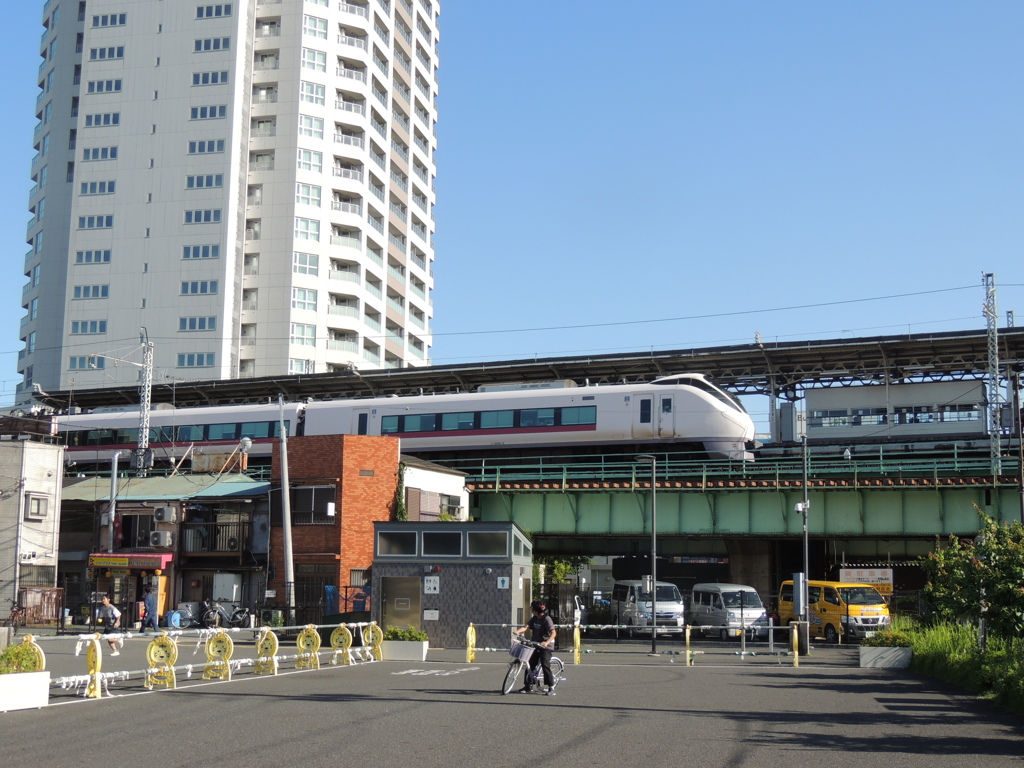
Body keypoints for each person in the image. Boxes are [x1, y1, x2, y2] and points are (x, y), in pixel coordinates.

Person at [513, 600, 557, 695]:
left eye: (532, 608)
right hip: (536, 644)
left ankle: (551, 687)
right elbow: (526, 627)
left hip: (546, 646)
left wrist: (546, 642)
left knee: (545, 664)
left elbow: (553, 633)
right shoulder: (535, 618)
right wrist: (517, 632)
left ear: (537, 610)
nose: (531, 610)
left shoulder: (547, 619)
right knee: (530, 663)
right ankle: (528, 685)